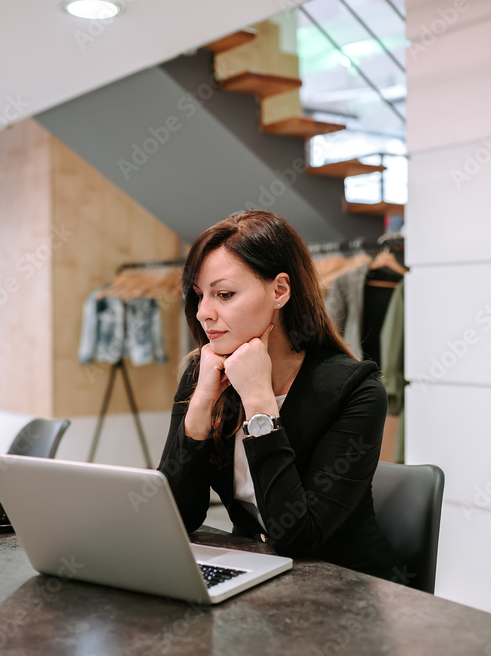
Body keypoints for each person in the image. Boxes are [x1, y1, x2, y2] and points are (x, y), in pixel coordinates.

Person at [158, 210, 395, 579]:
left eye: (224, 294)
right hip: (255, 572)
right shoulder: (203, 372)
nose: (204, 313)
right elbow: (175, 518)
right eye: (200, 296)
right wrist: (201, 404)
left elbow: (298, 538)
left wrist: (259, 403)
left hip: (341, 587)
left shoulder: (355, 390)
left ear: (280, 290)